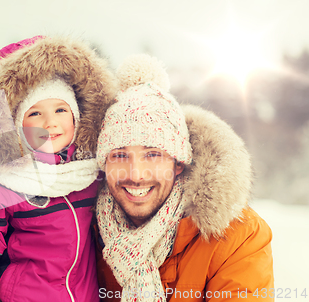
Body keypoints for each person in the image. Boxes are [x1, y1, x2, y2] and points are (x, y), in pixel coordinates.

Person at [95, 54, 274, 302]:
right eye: (120, 156)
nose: (136, 175)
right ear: (103, 165)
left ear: (178, 163)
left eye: (153, 154)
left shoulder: (236, 235)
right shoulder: (83, 234)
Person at [0, 36, 116, 302]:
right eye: (35, 113)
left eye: (60, 109)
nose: (50, 123)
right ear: (16, 125)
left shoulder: (90, 171)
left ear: (77, 116)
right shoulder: (4, 179)